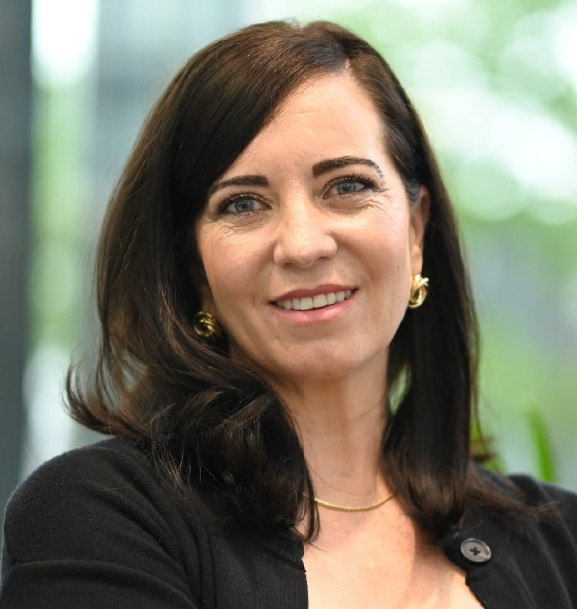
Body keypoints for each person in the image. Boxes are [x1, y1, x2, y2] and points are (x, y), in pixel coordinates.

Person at [1, 20, 576, 609]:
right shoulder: (99, 517)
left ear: (415, 231)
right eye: (243, 203)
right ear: (196, 269)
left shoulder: (563, 542)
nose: (303, 245)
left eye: (347, 186)